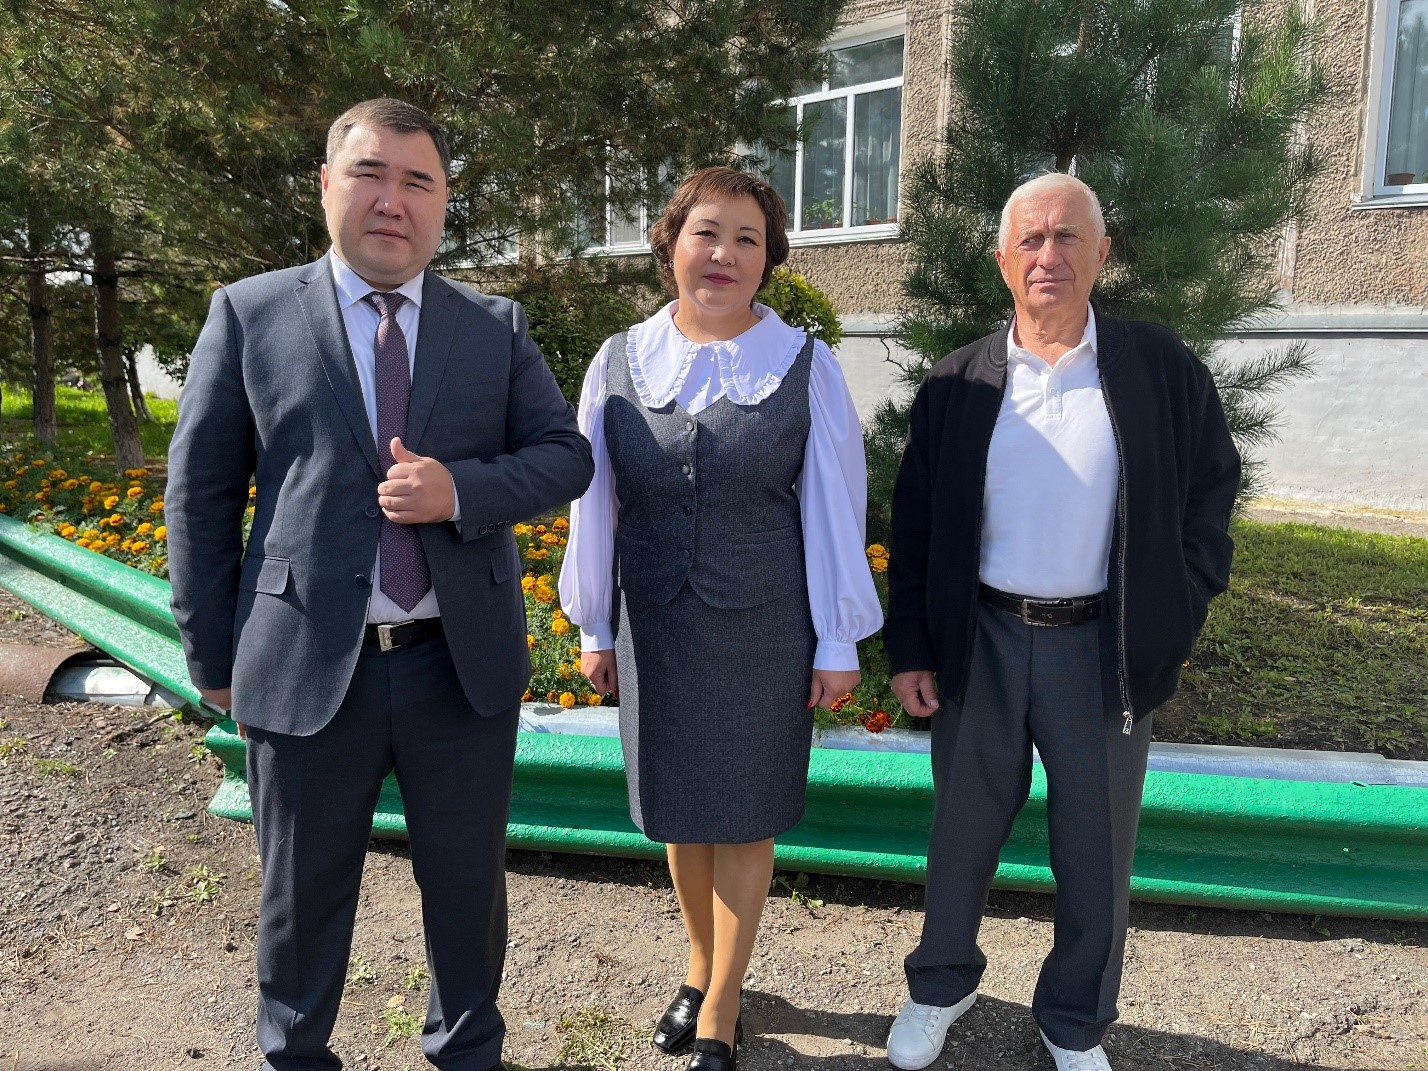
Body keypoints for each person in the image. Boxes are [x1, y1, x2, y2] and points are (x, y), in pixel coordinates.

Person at [166, 98, 593, 1071]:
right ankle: (295, 1055)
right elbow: (199, 495)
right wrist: (212, 657)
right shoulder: (250, 313)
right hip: (305, 666)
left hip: (458, 669)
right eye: (369, 174)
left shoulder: (492, 327)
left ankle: (467, 1052)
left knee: (467, 892)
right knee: (301, 897)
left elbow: (564, 456)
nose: (391, 200)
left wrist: (460, 490)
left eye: (417, 182)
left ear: (442, 204)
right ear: (327, 186)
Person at [882, 173, 1239, 1071]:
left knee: (1096, 849)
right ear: (1003, 260)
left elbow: (1211, 490)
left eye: (1068, 236)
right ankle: (941, 983)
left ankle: (1075, 1020)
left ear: (1101, 253)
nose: (1049, 254)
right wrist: (911, 645)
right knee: (961, 834)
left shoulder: (1158, 367)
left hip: (1102, 649)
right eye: (1031, 239)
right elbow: (914, 526)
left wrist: (1179, 603)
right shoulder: (957, 382)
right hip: (984, 641)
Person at [558, 167, 882, 1071]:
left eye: (747, 239)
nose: (724, 255)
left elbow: (833, 508)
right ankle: (700, 967)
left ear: (767, 259)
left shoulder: (805, 367)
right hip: (655, 627)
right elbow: (594, 503)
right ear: (671, 245)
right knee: (680, 812)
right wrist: (592, 625)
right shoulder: (617, 362)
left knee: (743, 814)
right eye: (707, 232)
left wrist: (837, 637)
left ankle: (723, 1003)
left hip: (763, 629)